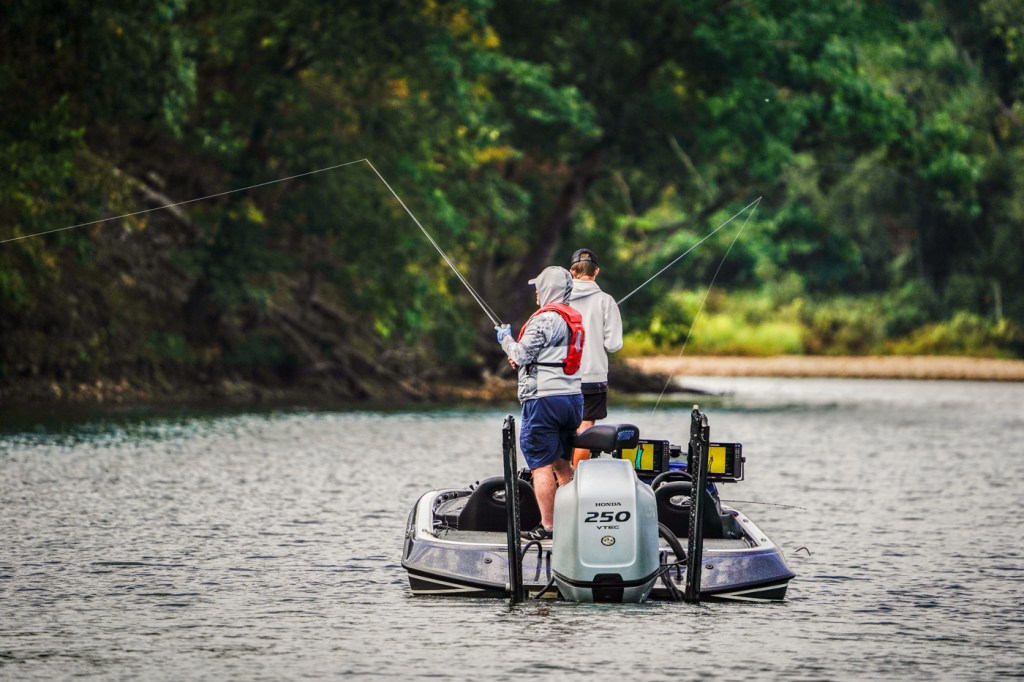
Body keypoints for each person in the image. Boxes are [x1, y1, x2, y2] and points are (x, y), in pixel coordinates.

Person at [495, 266, 584, 540]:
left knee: (540, 465)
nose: (536, 293)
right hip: (572, 401)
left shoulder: (544, 319)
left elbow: (521, 354)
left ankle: (549, 527)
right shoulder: (573, 319)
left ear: (548, 289)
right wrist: (522, 360)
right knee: (562, 463)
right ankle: (574, 523)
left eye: (539, 287)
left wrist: (505, 340)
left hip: (544, 402)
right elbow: (547, 357)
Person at [567, 248, 623, 468]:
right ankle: (576, 477)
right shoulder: (607, 301)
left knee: (561, 427)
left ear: (572, 272)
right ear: (596, 271)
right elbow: (613, 344)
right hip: (593, 376)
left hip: (561, 376)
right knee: (585, 428)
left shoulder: (559, 300)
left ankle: (561, 477)